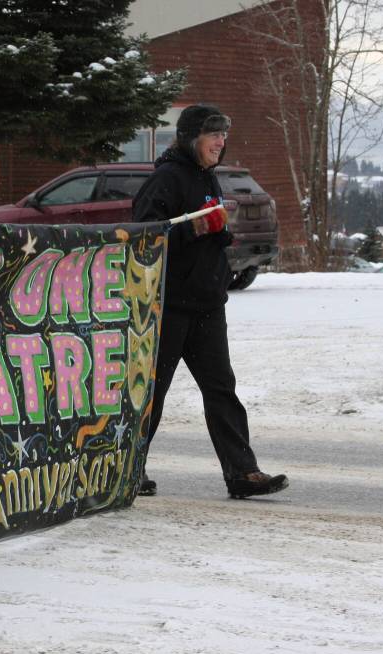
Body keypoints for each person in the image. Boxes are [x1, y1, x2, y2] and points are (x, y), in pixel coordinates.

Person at [131, 104, 289, 500]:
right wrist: (198, 226)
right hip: (168, 307)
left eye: (222, 134)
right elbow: (144, 237)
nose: (220, 141)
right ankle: (127, 470)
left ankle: (243, 472)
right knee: (150, 391)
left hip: (206, 304)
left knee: (221, 389)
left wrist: (217, 231)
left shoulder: (207, 177)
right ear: (190, 138)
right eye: (212, 134)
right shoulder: (166, 179)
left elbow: (202, 232)